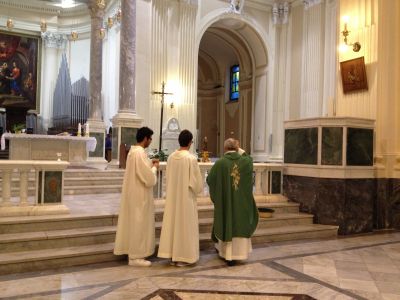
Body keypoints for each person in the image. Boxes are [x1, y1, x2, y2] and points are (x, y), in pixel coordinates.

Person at [206, 138, 259, 266]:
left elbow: (210, 180)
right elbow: (248, 157)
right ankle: (239, 253)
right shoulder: (245, 162)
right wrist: (239, 149)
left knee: (226, 221)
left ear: (225, 148)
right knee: (240, 221)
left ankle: (227, 254)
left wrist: (219, 194)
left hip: (226, 204)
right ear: (237, 148)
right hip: (241, 204)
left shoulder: (220, 163)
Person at [114, 127, 159, 267]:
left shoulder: (134, 152)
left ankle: (133, 253)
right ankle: (136, 257)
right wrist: (155, 167)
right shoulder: (139, 153)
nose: (150, 141)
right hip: (140, 195)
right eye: (150, 138)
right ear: (145, 138)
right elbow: (148, 177)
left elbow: (140, 168)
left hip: (134, 193)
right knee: (139, 224)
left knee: (135, 223)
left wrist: (150, 163)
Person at [158, 129, 203, 266]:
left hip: (173, 197)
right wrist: (198, 190)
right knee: (184, 226)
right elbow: (196, 183)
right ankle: (183, 257)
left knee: (173, 224)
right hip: (186, 199)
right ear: (190, 142)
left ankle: (172, 255)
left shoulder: (171, 157)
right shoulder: (190, 159)